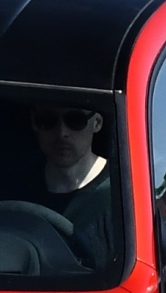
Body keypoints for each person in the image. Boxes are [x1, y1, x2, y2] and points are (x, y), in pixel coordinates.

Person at [28, 104, 118, 270]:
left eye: (76, 120)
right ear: (34, 122)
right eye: (48, 120)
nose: (62, 133)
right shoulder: (13, 187)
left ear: (97, 123)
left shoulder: (123, 197)